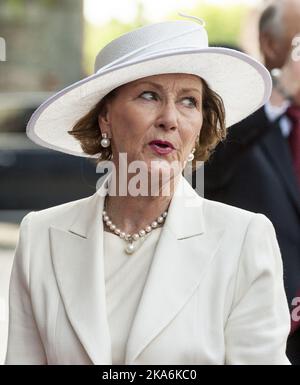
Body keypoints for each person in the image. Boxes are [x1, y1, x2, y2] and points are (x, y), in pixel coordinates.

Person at [5, 15, 291, 365]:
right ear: (105, 117)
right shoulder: (41, 236)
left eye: (189, 101)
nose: (170, 118)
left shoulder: (244, 238)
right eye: (149, 95)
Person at [202, 0, 300, 365]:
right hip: (260, 320)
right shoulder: (241, 121)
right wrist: (279, 95)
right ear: (271, 46)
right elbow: (205, 169)